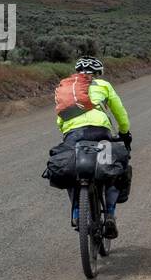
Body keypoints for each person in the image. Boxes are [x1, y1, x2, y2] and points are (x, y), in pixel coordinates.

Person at [56, 56, 132, 237]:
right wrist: (124, 133)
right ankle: (111, 214)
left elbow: (60, 118)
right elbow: (119, 112)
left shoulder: (67, 88)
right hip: (100, 132)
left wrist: (68, 132)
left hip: (73, 135)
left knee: (71, 170)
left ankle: (76, 213)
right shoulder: (104, 86)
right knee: (111, 169)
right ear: (97, 74)